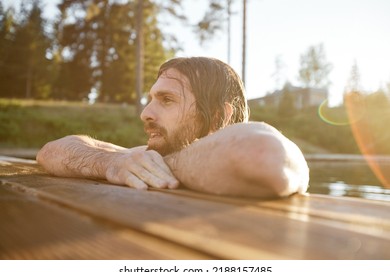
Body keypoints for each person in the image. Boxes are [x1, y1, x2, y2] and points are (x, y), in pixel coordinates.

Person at [37, 57, 309, 198]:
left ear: (218, 118)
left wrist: (160, 168)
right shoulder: (147, 158)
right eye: (150, 99)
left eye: (167, 100)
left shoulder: (255, 145)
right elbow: (51, 152)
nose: (145, 114)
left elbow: (263, 154)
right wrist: (111, 163)